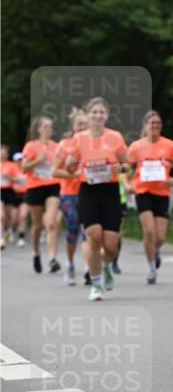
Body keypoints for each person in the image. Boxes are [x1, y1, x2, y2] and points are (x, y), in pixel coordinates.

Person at [52, 96, 127, 301]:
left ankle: (107, 267)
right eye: (93, 112)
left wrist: (119, 168)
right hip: (88, 192)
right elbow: (71, 167)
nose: (97, 116)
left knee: (111, 245)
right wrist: (69, 163)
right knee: (94, 237)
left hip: (110, 192)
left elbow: (126, 164)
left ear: (107, 115)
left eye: (101, 112)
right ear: (88, 115)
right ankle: (95, 284)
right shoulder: (79, 139)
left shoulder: (116, 137)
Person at [126, 110, 173, 284]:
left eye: (158, 123)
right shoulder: (136, 146)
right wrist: (128, 186)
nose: (155, 126)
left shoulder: (169, 145)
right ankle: (151, 268)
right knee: (148, 231)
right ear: (145, 126)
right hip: (143, 192)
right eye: (152, 123)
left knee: (160, 237)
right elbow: (126, 171)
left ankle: (155, 251)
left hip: (162, 193)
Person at [21, 116, 62, 273]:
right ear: (38, 129)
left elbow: (63, 165)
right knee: (37, 225)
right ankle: (36, 253)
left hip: (53, 186)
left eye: (50, 127)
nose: (48, 130)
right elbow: (24, 168)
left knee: (51, 222)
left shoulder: (56, 147)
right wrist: (38, 160)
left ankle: (52, 258)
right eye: (45, 127)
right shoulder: (31, 146)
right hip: (35, 187)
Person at [57, 108, 88, 285]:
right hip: (69, 193)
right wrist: (72, 173)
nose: (82, 127)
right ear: (73, 125)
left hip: (89, 192)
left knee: (88, 231)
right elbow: (55, 170)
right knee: (73, 230)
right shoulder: (65, 144)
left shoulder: (94, 143)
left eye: (85, 123)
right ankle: (69, 264)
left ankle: (88, 268)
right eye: (79, 124)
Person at [1, 145, 21, 247]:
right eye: (1, 152)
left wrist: (10, 178)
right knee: (1, 215)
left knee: (9, 215)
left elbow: (20, 179)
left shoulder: (12, 165)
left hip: (9, 191)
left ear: (7, 154)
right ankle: (1, 237)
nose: (2, 154)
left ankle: (8, 229)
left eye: (4, 153)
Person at [10, 152, 29, 247]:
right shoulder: (11, 169)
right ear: (14, 161)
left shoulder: (27, 169)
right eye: (18, 160)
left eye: (21, 159)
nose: (20, 162)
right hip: (14, 195)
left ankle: (21, 237)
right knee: (14, 218)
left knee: (23, 215)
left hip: (25, 194)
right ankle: (12, 229)